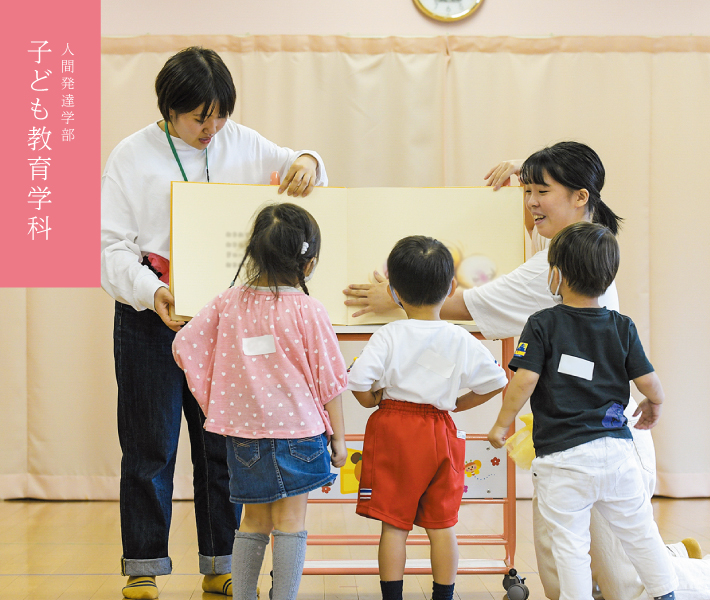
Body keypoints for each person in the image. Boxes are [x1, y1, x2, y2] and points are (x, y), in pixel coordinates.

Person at [342, 141, 710, 600]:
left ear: (581, 196)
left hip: (609, 435)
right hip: (568, 437)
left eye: (541, 191)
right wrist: (527, 169)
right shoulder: (586, 243)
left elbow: (468, 312)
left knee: (624, 584)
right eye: (528, 190)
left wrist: (396, 300)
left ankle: (683, 567)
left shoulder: (554, 266)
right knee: (565, 569)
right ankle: (661, 560)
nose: (531, 201)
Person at [101, 47, 328, 600]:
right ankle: (144, 566)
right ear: (168, 109)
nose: (212, 128)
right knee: (149, 445)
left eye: (220, 114)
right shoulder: (131, 156)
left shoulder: (241, 142)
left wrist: (309, 161)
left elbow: (308, 167)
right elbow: (109, 250)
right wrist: (152, 293)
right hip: (152, 314)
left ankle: (220, 561)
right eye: (199, 117)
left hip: (230, 319)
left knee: (223, 445)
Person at [487, 221, 677, 600]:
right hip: (618, 452)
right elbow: (649, 382)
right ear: (608, 279)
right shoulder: (622, 326)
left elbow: (524, 381)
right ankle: (666, 592)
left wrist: (501, 424)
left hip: (564, 458)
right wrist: (654, 404)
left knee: (570, 545)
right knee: (640, 532)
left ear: (555, 275)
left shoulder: (542, 324)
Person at [173, 203, 347, 600]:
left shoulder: (228, 302)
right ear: (309, 262)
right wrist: (339, 439)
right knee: (291, 521)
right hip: (301, 434)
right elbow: (331, 381)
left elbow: (184, 344)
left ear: (253, 253)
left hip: (243, 435)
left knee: (251, 521)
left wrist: (215, 397)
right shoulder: (309, 309)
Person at [347, 236, 508, 600]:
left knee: (394, 526)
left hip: (394, 428)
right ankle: (443, 596)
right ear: (451, 288)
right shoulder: (460, 337)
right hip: (440, 429)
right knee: (442, 525)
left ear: (393, 291)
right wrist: (456, 405)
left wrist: (371, 400)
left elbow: (356, 381)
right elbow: (497, 381)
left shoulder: (387, 334)